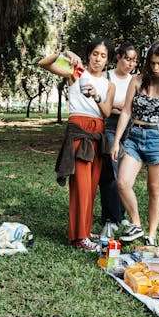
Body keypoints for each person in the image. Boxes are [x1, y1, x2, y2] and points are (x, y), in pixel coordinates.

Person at [40, 41, 115, 252]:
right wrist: (64, 53)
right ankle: (79, 237)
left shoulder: (109, 85)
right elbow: (44, 64)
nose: (98, 58)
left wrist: (96, 95)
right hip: (79, 132)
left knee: (91, 187)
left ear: (107, 59)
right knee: (80, 185)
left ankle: (85, 229)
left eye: (102, 55)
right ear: (88, 55)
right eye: (94, 54)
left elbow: (107, 112)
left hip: (98, 135)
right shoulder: (76, 72)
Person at [111, 43, 159, 245]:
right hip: (135, 136)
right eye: (152, 63)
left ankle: (151, 235)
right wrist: (117, 140)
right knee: (122, 182)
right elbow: (126, 111)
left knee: (154, 189)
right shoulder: (137, 81)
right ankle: (136, 224)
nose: (155, 68)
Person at [98, 43, 138, 233]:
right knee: (111, 172)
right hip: (109, 127)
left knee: (123, 175)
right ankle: (112, 217)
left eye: (134, 60)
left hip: (129, 129)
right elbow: (103, 107)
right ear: (119, 57)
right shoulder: (107, 77)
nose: (131, 63)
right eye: (127, 59)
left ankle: (117, 215)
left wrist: (119, 106)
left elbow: (133, 108)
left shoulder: (135, 80)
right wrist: (118, 106)